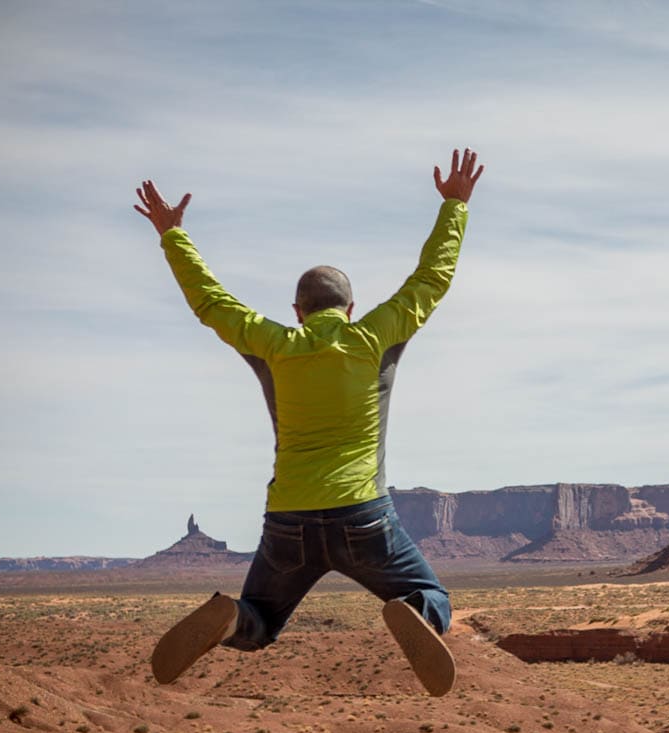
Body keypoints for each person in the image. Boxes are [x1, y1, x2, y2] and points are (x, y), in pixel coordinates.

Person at [137, 149, 484, 697]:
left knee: (260, 623)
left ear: (297, 310)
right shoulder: (374, 335)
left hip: (289, 521)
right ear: (350, 308)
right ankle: (417, 614)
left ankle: (231, 620)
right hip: (364, 517)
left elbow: (210, 301)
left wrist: (172, 235)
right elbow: (430, 281)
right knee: (430, 595)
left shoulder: (273, 343)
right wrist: (454, 207)